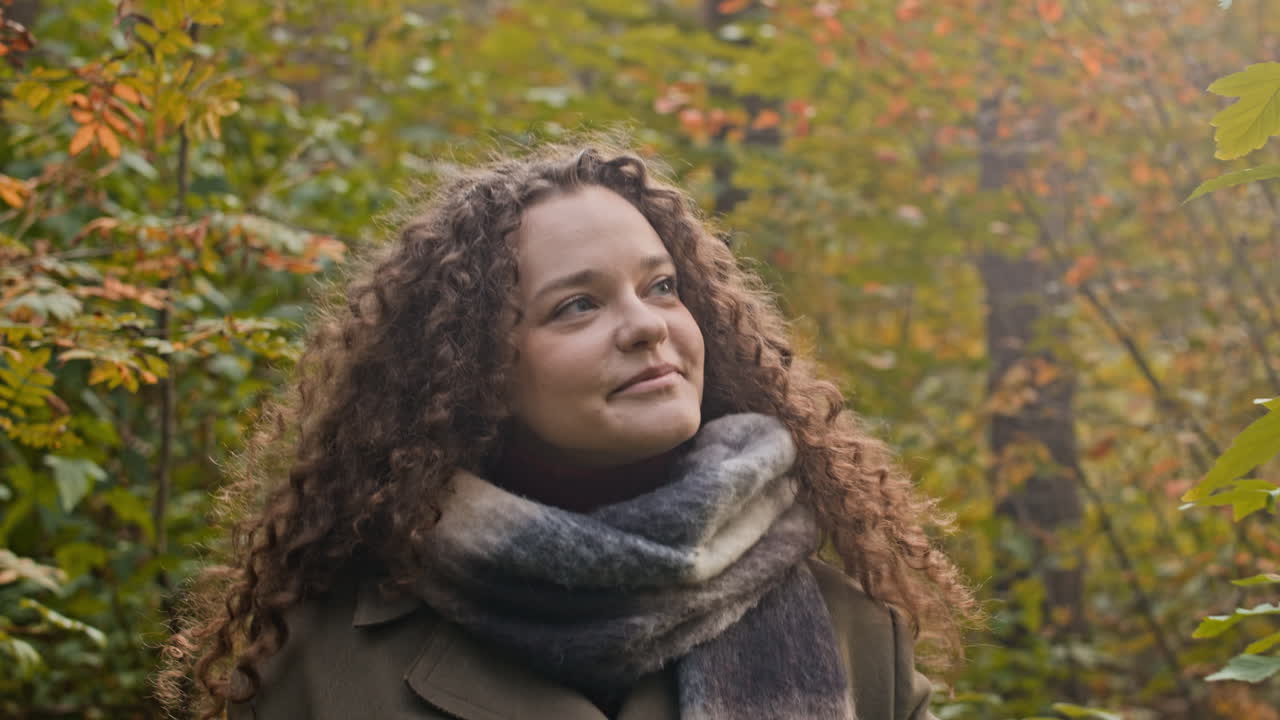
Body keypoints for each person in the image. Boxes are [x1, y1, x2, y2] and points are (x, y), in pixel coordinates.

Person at [157, 139, 976, 720]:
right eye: (577, 305)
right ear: (475, 372)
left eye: (661, 287)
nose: (646, 326)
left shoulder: (855, 633)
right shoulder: (317, 658)